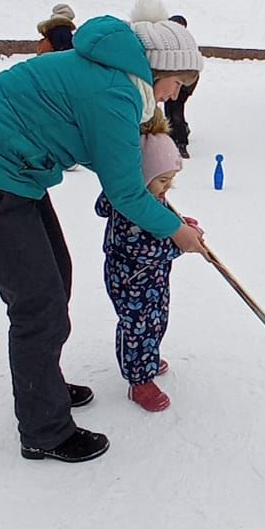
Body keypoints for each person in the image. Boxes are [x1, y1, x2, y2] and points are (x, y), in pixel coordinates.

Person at [0, 0, 208, 464]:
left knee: (56, 278)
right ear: (160, 68)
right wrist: (176, 231)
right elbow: (124, 193)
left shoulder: (109, 75)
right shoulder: (114, 91)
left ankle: (45, 385)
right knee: (39, 302)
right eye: (178, 84)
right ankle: (44, 430)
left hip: (10, 172)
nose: (173, 97)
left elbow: (106, 156)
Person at [96, 126, 200, 412]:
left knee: (155, 322)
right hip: (132, 281)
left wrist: (181, 226)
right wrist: (181, 244)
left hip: (152, 280)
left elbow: (163, 218)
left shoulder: (149, 197)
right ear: (141, 177)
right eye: (162, 179)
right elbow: (147, 249)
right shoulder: (130, 212)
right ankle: (139, 380)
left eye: (172, 179)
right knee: (137, 329)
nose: (167, 186)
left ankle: (147, 358)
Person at [163, 14, 198, 157]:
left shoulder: (186, 42)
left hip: (184, 82)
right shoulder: (167, 41)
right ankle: (173, 137)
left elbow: (193, 66)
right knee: (169, 111)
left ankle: (181, 142)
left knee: (176, 111)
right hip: (170, 80)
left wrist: (185, 86)